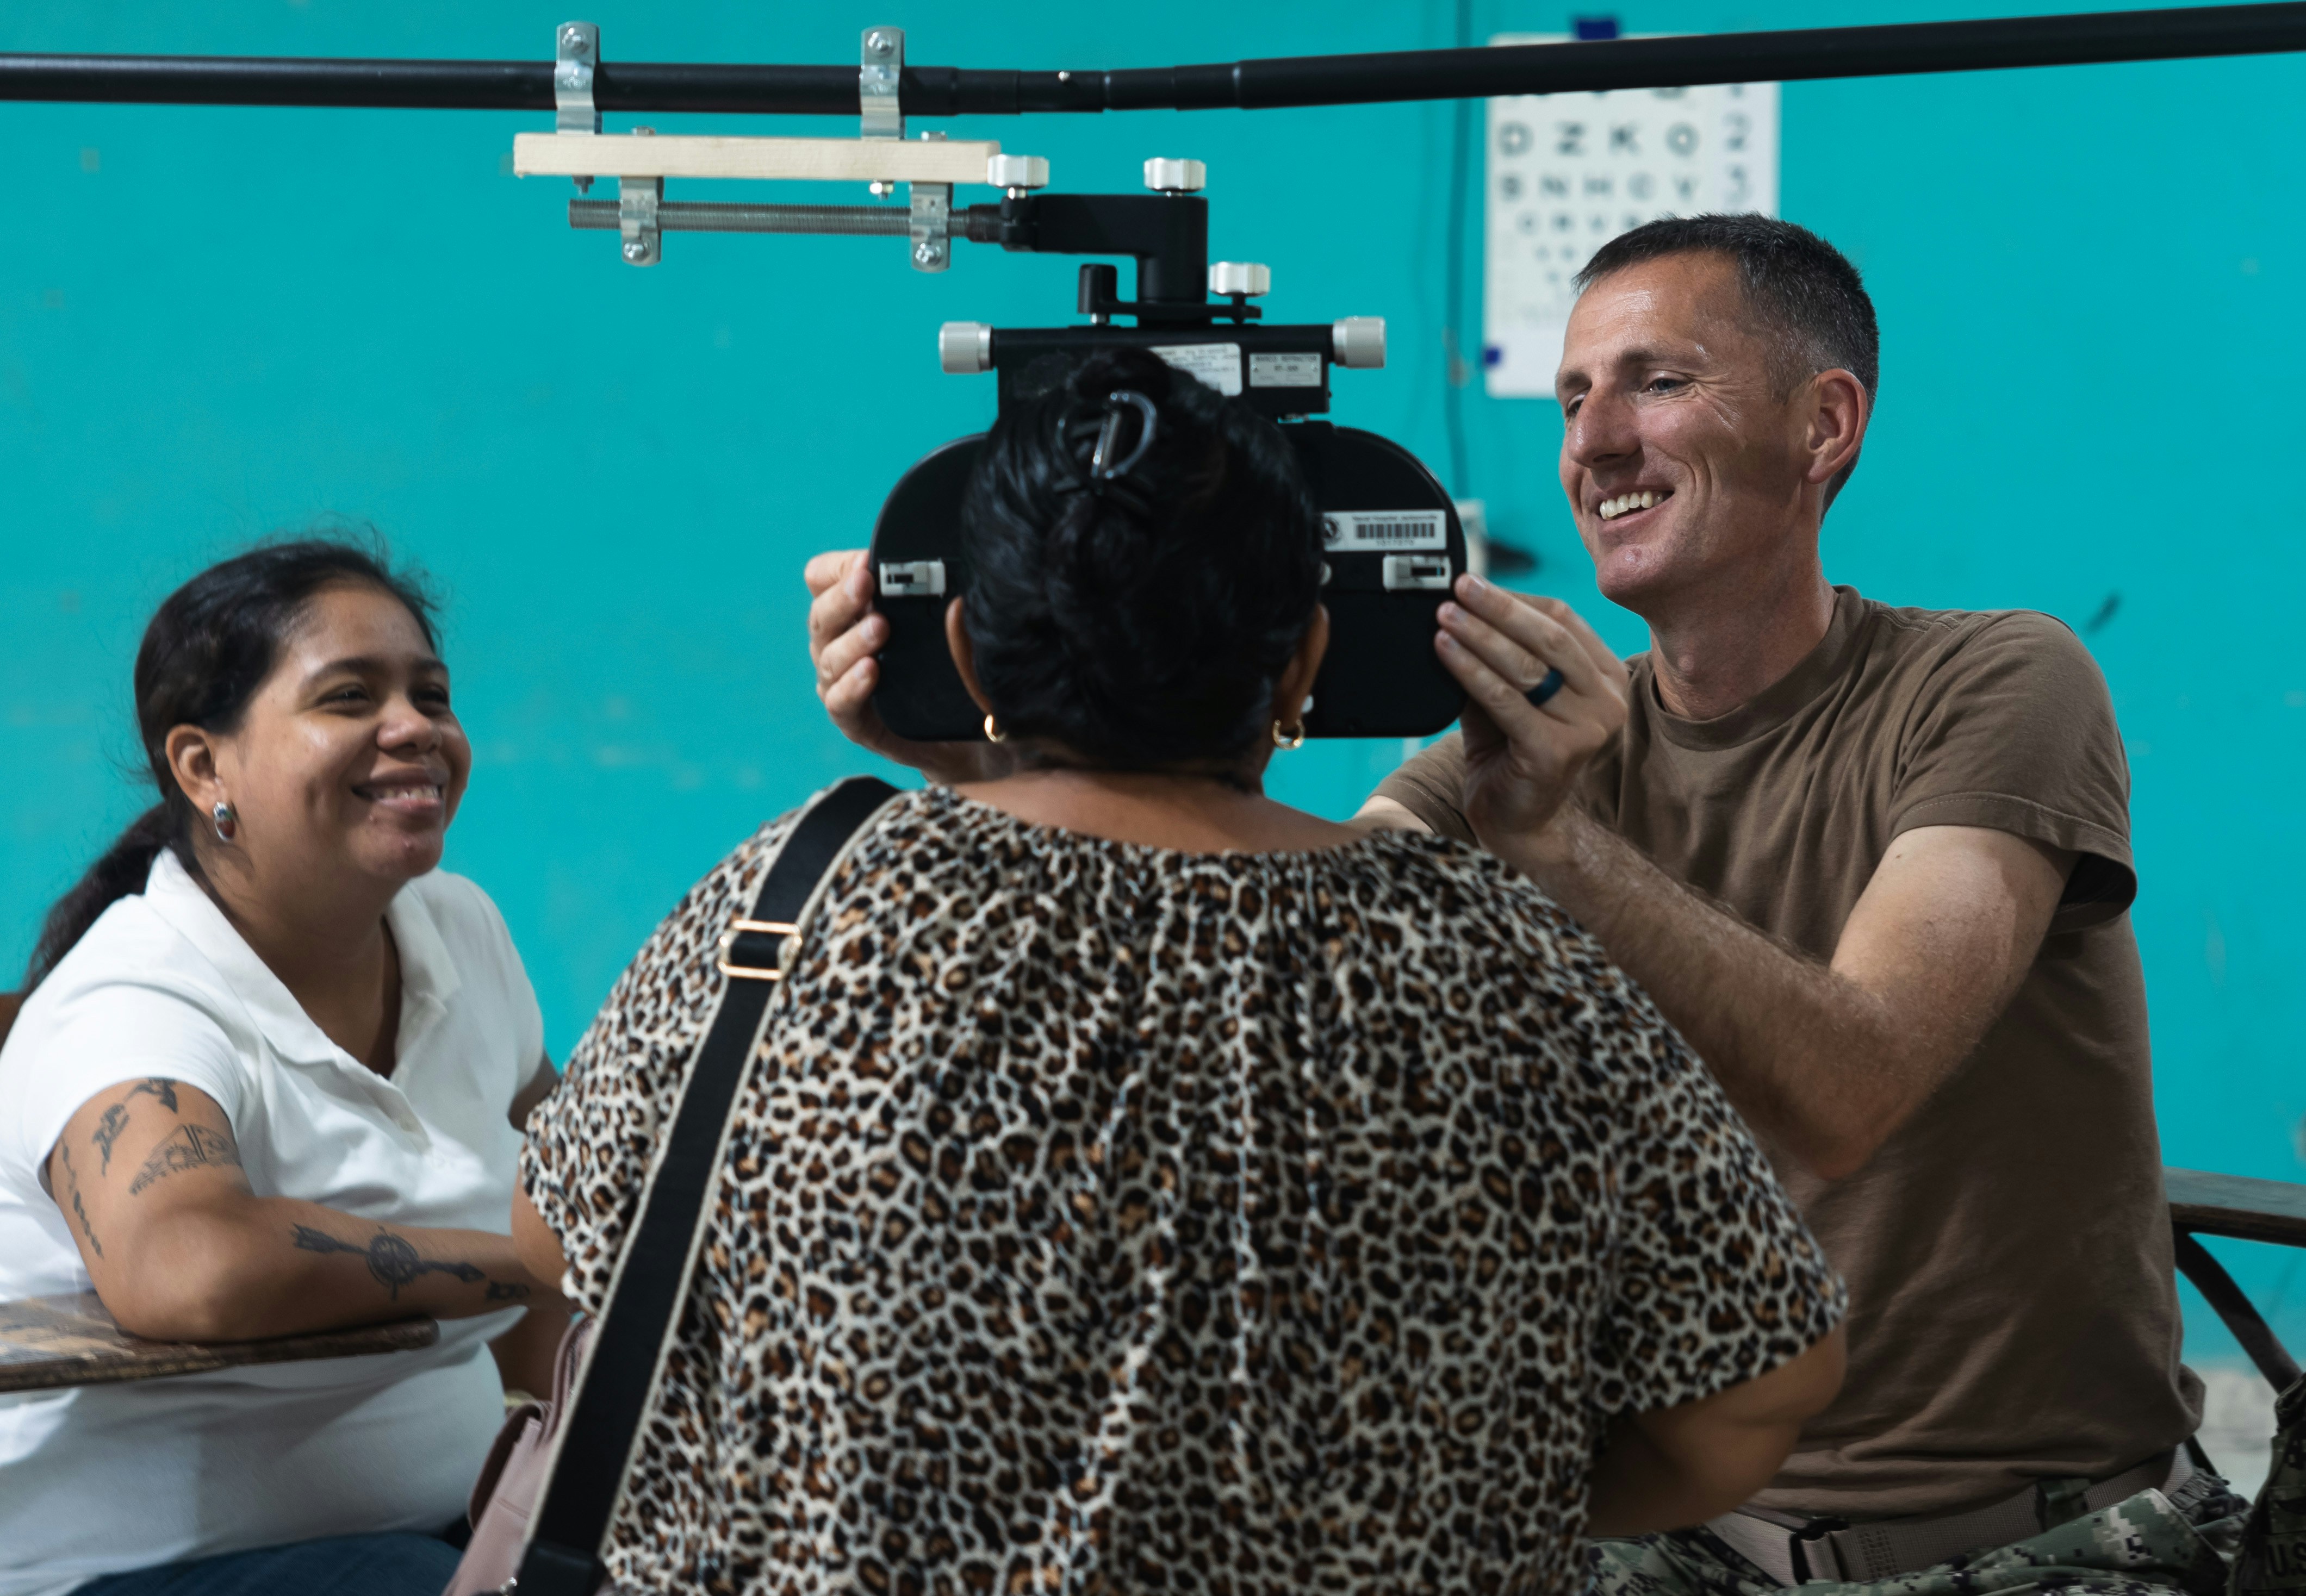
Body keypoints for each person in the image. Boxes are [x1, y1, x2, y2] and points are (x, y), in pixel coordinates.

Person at [807, 219, 2239, 1594]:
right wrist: (1011, 753)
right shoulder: (1508, 765)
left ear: (1824, 424)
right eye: (1568, 399)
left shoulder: (1997, 684)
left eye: (1656, 383)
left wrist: (1555, 847)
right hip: (1668, 1534)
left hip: (2018, 1543)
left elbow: (1850, 1085)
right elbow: (1223, 961)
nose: (1592, 443)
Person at [523, 348, 1847, 1594]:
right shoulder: (1519, 966)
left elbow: (551, 1247)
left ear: (973, 651)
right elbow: (1756, 1392)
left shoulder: (793, 903)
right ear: (1306, 668)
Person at [0, 540, 569, 1596]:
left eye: (431, 695)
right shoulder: (134, 999)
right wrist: (528, 1257)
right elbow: (187, 1266)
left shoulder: (463, 931)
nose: (415, 728)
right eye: (349, 696)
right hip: (135, 1568)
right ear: (204, 766)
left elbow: (580, 1193)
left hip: (435, 1535)